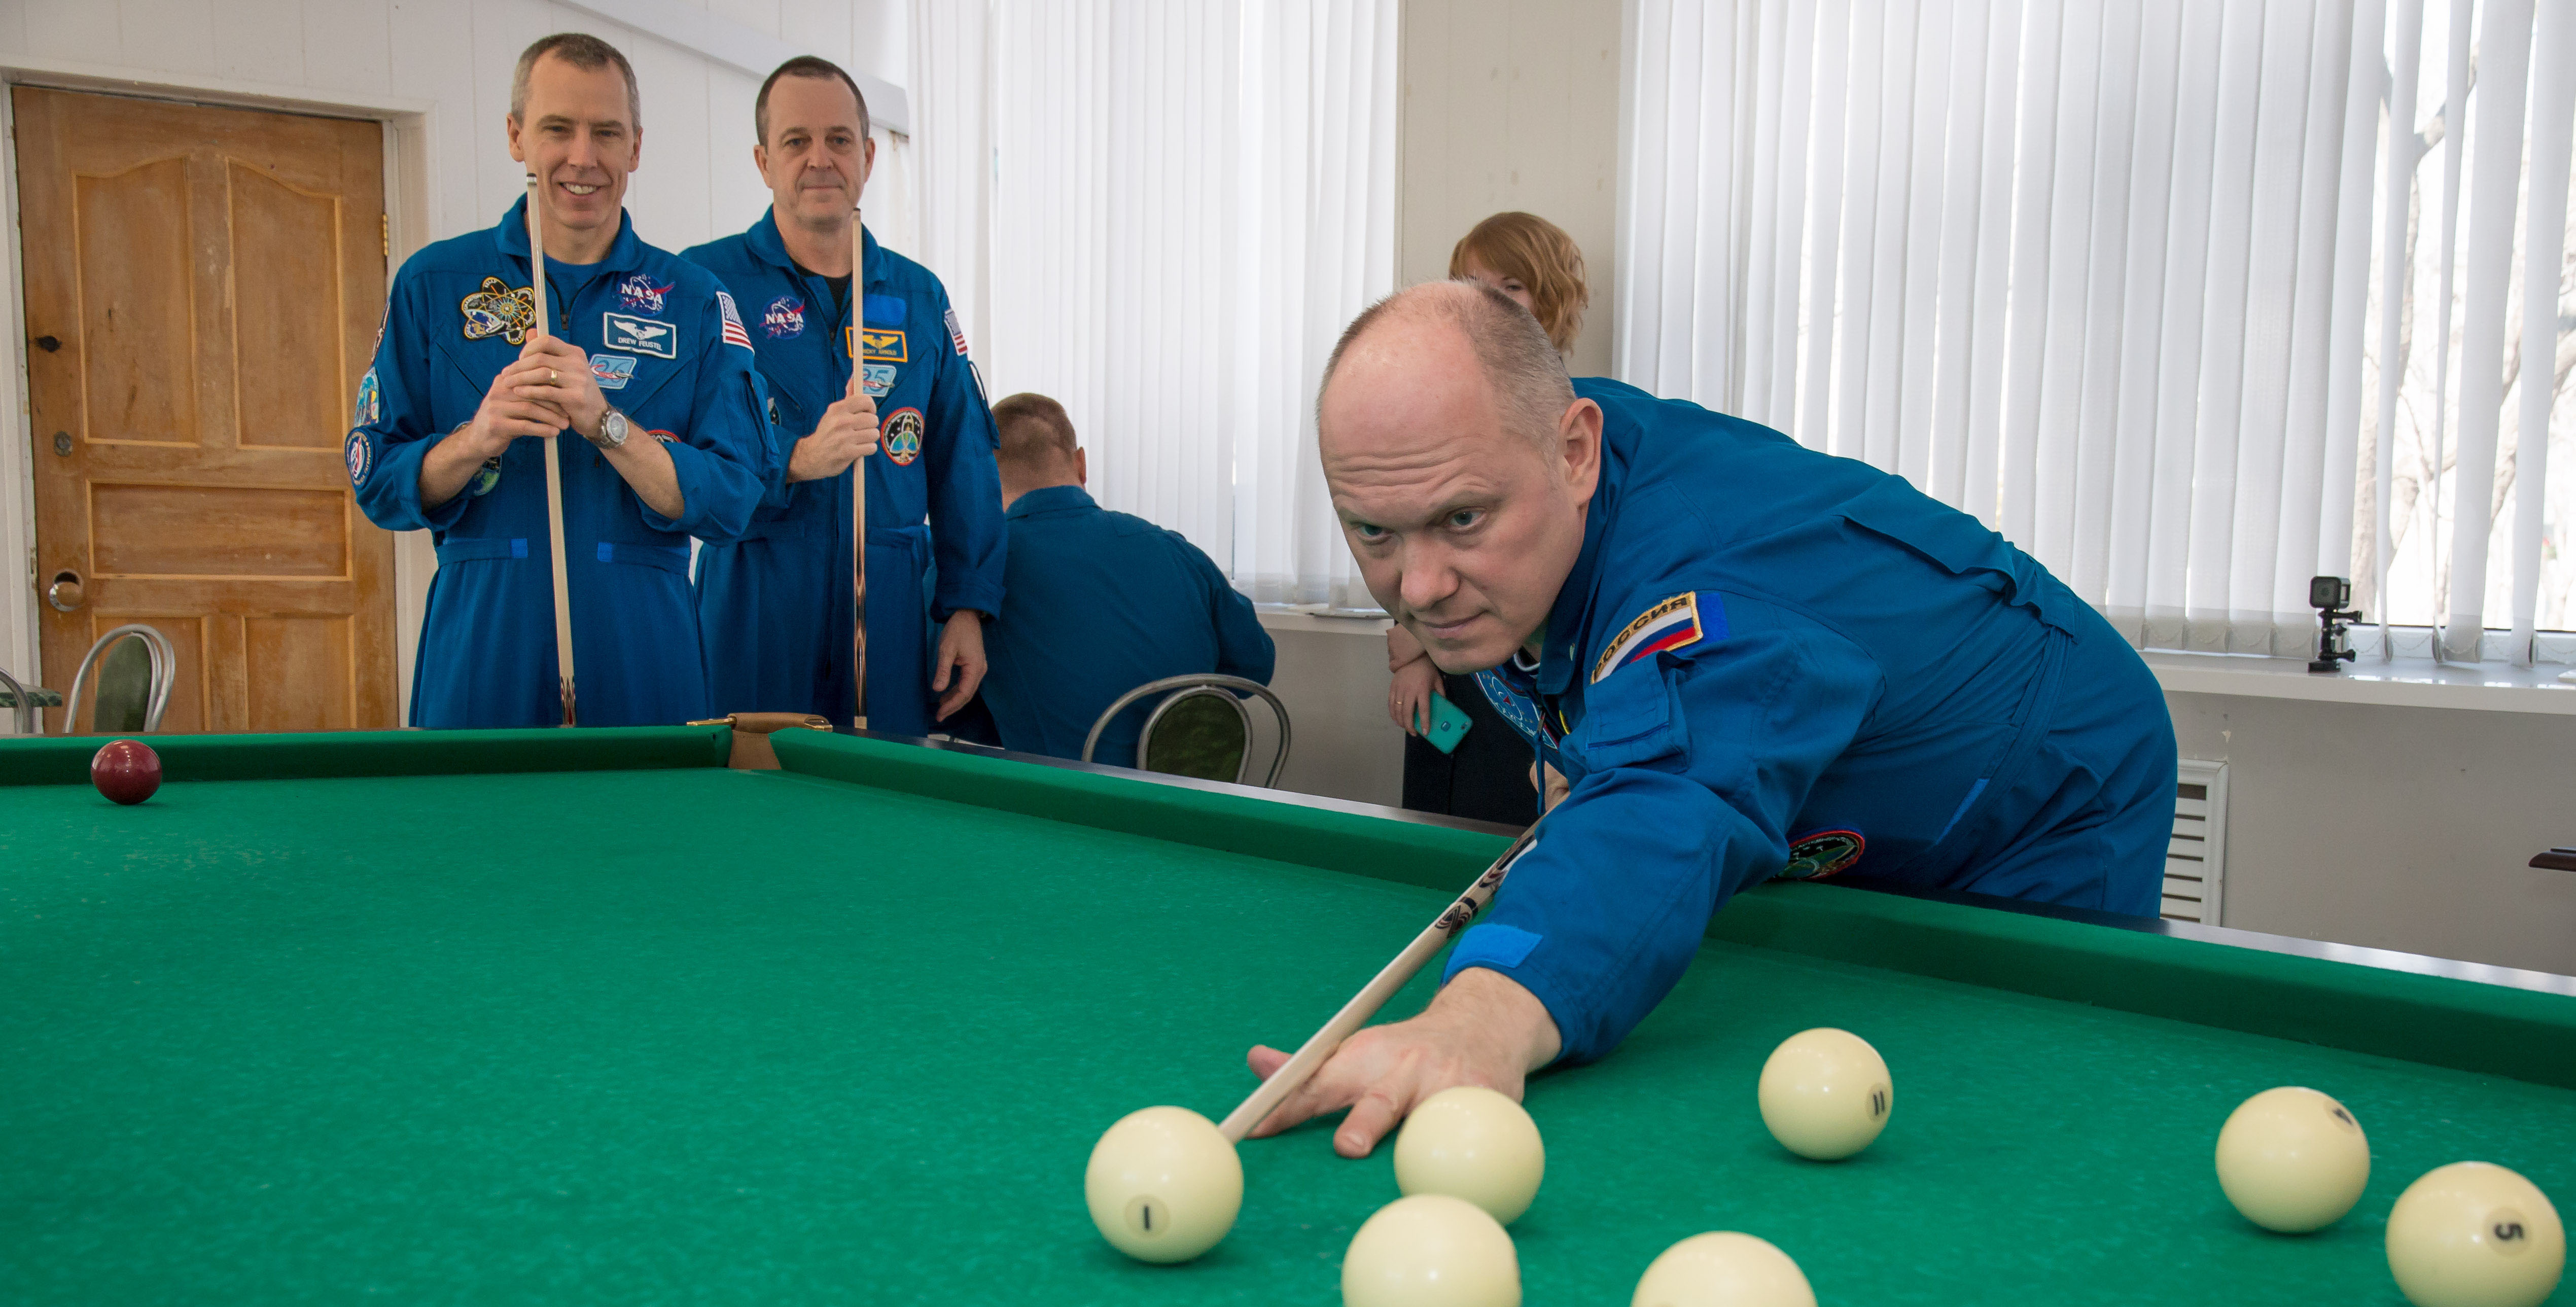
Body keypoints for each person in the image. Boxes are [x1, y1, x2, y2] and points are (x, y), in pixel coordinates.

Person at [1251, 281, 2177, 1156]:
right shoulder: (1510, 440)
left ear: (1573, 453)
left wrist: (1478, 1019)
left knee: (2009, 1110)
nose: (1416, 587)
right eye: (1373, 531)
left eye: (1460, 520)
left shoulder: (1716, 586)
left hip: (2048, 785)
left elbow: (1666, 793)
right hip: (1854, 787)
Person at [349, 33, 774, 727]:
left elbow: (732, 498)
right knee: (475, 834)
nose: (584, 157)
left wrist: (606, 425)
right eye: (557, 130)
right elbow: (376, 476)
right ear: (517, 137)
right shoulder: (431, 284)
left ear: (636, 146)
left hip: (643, 638)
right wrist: (477, 436)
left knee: (649, 834)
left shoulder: (696, 299)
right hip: (484, 631)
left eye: (606, 132)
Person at [683, 56, 1005, 735]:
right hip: (756, 586)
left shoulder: (918, 296)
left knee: (881, 807)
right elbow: (677, 457)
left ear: (866, 155)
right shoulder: (704, 284)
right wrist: (793, 461)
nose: (819, 160)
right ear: (762, 160)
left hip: (888, 595)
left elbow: (964, 460)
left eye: (837, 140)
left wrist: (966, 608)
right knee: (748, 801)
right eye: (796, 141)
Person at [1389, 212, 1594, 826]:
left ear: (1551, 299)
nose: (1486, 303)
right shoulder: (1430, 408)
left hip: (1549, 688)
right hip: (1456, 683)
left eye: (1510, 287)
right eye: (1469, 284)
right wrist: (1413, 657)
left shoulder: (1586, 420)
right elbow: (1407, 545)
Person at [978, 394, 1275, 766]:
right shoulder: (1174, 550)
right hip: (1197, 805)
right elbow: (1255, 668)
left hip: (1067, 808)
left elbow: (934, 693)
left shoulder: (975, 568)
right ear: (1081, 463)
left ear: (983, 477)